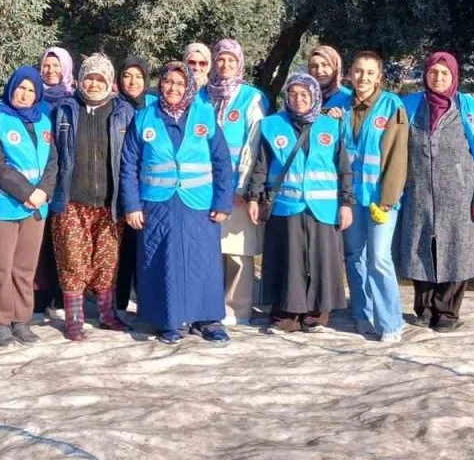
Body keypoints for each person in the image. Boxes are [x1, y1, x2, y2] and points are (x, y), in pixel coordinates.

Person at [120, 62, 235, 345]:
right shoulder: (145, 117)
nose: (173, 88)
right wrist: (131, 206)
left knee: (203, 262)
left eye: (180, 84)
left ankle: (207, 319)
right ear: (160, 84)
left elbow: (222, 161)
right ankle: (168, 321)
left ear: (189, 88)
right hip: (156, 205)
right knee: (162, 262)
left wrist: (223, 202)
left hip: (199, 205)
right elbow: (128, 164)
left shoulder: (204, 115)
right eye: (168, 82)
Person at [246, 74, 352, 333]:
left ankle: (316, 316)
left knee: (321, 261)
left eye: (304, 94)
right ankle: (285, 317)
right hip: (286, 205)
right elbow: (261, 165)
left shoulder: (331, 126)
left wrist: (346, 203)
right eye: (293, 93)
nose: (298, 99)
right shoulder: (272, 125)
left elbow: (343, 169)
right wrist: (254, 197)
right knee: (288, 261)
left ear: (315, 96)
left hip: (323, 207)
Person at [396, 52, 474, 332]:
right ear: (425, 75)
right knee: (420, 249)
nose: (438, 78)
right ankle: (424, 309)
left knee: (456, 252)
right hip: (418, 194)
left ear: (454, 76)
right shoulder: (409, 106)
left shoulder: (470, 109)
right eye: (433, 72)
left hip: (459, 197)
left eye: (444, 73)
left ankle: (447, 312)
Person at [48, 54, 135, 340]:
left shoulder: (123, 112)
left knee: (106, 261)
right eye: (89, 78)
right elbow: (53, 153)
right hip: (71, 200)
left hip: (110, 203)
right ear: (80, 80)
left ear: (108, 81)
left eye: (100, 79)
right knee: (72, 259)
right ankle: (74, 318)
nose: (94, 84)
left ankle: (108, 315)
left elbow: (131, 157)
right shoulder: (64, 110)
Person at [0, 66, 58, 346]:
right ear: (11, 88)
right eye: (21, 88)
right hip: (4, 205)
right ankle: (1, 321)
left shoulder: (44, 121)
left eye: (31, 90)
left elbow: (53, 162)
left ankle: (22, 320)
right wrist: (27, 192)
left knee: (25, 267)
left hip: (36, 208)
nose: (25, 95)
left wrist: (44, 191)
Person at [342, 50, 410, 342]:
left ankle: (391, 322)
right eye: (358, 71)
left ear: (379, 77)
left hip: (380, 199)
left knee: (379, 258)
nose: (363, 77)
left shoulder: (392, 105)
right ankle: (362, 313)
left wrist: (388, 197)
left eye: (370, 73)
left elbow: (398, 156)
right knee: (354, 256)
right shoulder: (339, 105)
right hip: (350, 198)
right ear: (350, 73)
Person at [205, 39, 268, 325]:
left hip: (236, 187)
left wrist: (243, 185)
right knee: (211, 247)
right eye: (221, 59)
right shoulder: (203, 95)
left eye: (231, 60)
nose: (225, 65)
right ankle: (211, 303)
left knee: (238, 250)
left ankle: (237, 308)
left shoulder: (251, 97)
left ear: (240, 63)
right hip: (206, 185)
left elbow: (253, 143)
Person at [34, 46, 74, 318]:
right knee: (39, 243)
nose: (50, 71)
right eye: (46, 65)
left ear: (66, 68)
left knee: (63, 243)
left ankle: (60, 297)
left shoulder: (73, 101)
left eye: (56, 65)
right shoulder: (32, 99)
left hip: (65, 184)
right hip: (38, 183)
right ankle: (38, 297)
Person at [114, 55, 153, 315]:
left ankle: (146, 303)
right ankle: (118, 303)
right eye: (127, 75)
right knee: (121, 250)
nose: (132, 81)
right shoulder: (111, 106)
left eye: (138, 76)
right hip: (118, 187)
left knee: (145, 248)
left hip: (149, 189)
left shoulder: (155, 107)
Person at [309, 45, 353, 112]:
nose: (319, 71)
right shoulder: (302, 96)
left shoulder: (349, 98)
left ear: (335, 67)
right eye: (314, 66)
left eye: (325, 65)